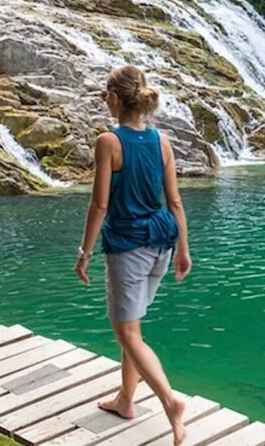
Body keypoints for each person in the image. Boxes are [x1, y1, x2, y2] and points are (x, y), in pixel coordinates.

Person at [74, 65, 192, 445]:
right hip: (162, 243)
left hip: (128, 246)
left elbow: (99, 205)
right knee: (133, 330)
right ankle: (126, 400)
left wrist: (84, 252)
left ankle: (171, 402)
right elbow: (175, 201)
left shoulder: (108, 142)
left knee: (127, 333)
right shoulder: (161, 141)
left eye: (105, 96)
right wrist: (184, 249)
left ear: (113, 98)